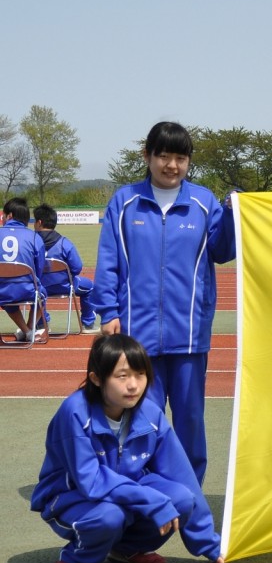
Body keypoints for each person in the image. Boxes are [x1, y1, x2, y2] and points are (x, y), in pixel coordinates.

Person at [93, 122, 235, 483]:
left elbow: (223, 252)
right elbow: (108, 260)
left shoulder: (203, 202)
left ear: (189, 161)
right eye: (164, 156)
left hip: (189, 333)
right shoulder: (125, 202)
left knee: (190, 419)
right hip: (136, 335)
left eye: (181, 158)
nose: (172, 165)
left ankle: (189, 490)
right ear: (147, 156)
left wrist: (233, 214)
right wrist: (108, 311)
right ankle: (144, 488)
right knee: (142, 417)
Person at [30, 334, 225, 563]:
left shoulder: (150, 414)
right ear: (96, 378)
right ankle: (76, 557)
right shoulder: (75, 412)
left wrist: (209, 544)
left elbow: (182, 475)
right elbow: (91, 480)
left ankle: (129, 549)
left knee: (182, 499)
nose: (133, 385)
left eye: (140, 374)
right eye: (122, 376)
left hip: (128, 489)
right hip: (71, 496)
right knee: (110, 516)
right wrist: (152, 501)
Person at [32, 203, 98, 332]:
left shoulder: (30, 243)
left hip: (37, 288)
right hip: (64, 286)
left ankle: (41, 325)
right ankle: (88, 324)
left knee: (36, 292)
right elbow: (77, 267)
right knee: (90, 287)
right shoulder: (64, 243)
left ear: (39, 223)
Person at [1, 197, 48, 342]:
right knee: (42, 294)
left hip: (1, 289)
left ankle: (26, 331)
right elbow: (39, 269)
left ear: (9, 216)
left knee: (6, 297)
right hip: (26, 288)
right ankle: (29, 330)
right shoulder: (34, 237)